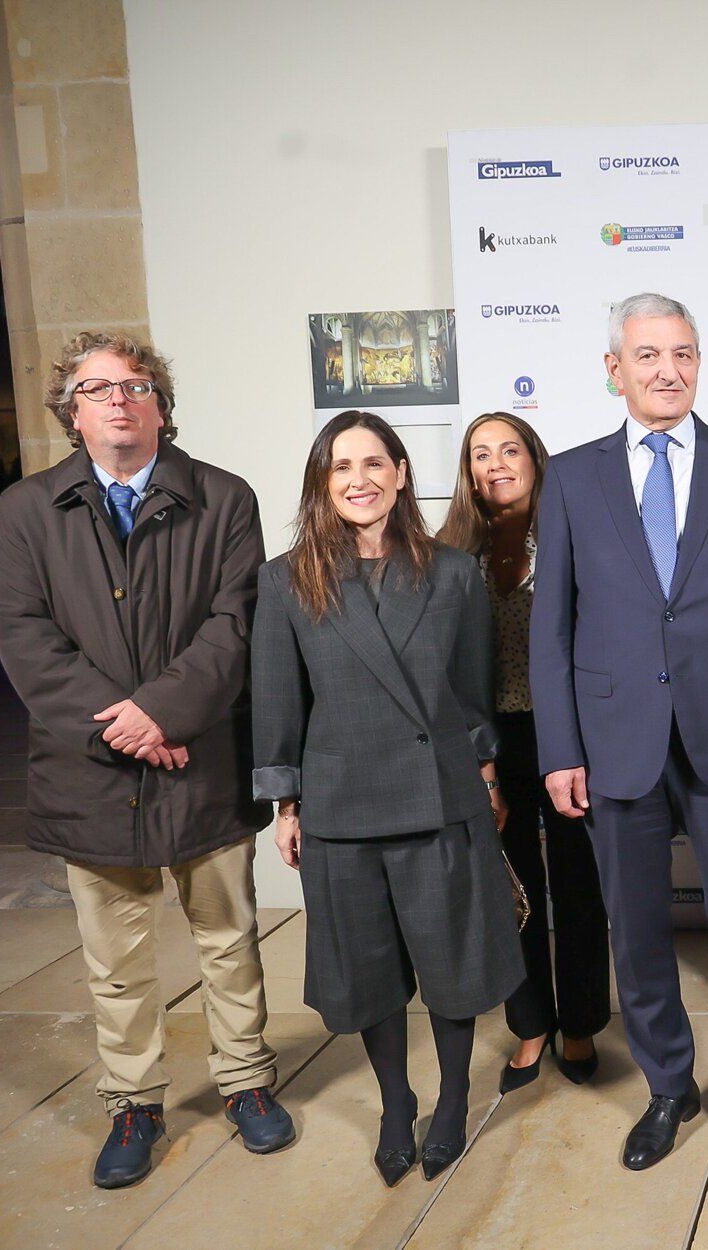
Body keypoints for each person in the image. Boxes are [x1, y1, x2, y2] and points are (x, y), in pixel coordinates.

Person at [0, 331, 294, 1189]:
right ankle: (134, 1100)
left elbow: (235, 623)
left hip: (203, 762)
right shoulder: (24, 510)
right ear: (71, 413)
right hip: (90, 773)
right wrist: (126, 726)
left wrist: (161, 711)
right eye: (96, 387)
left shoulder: (224, 498)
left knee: (230, 941)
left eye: (136, 383)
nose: (118, 398)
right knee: (114, 964)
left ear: (162, 403)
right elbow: (24, 636)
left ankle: (246, 1083)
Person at [530, 293, 708, 1172]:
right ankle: (666, 1086)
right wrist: (560, 750)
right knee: (638, 932)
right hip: (616, 740)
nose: (668, 371)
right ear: (614, 368)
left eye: (683, 354)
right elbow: (554, 631)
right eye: (648, 355)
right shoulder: (572, 477)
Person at [251, 411, 523, 1187]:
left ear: (402, 474)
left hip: (439, 798)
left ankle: (451, 1102)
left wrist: (487, 778)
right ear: (322, 483)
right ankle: (397, 1102)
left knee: (452, 960)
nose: (359, 480)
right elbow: (277, 703)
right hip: (340, 805)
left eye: (375, 463)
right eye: (341, 468)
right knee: (366, 969)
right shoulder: (285, 579)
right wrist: (287, 806)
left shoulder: (453, 573)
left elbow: (472, 699)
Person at [440, 412, 610, 1091]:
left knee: (578, 887)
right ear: (468, 473)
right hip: (489, 742)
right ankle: (531, 1024)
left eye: (510, 449)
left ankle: (581, 1024)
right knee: (511, 893)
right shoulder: (449, 555)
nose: (496, 463)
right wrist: (478, 763)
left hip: (569, 735)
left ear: (536, 460)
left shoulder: (571, 538)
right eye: (481, 454)